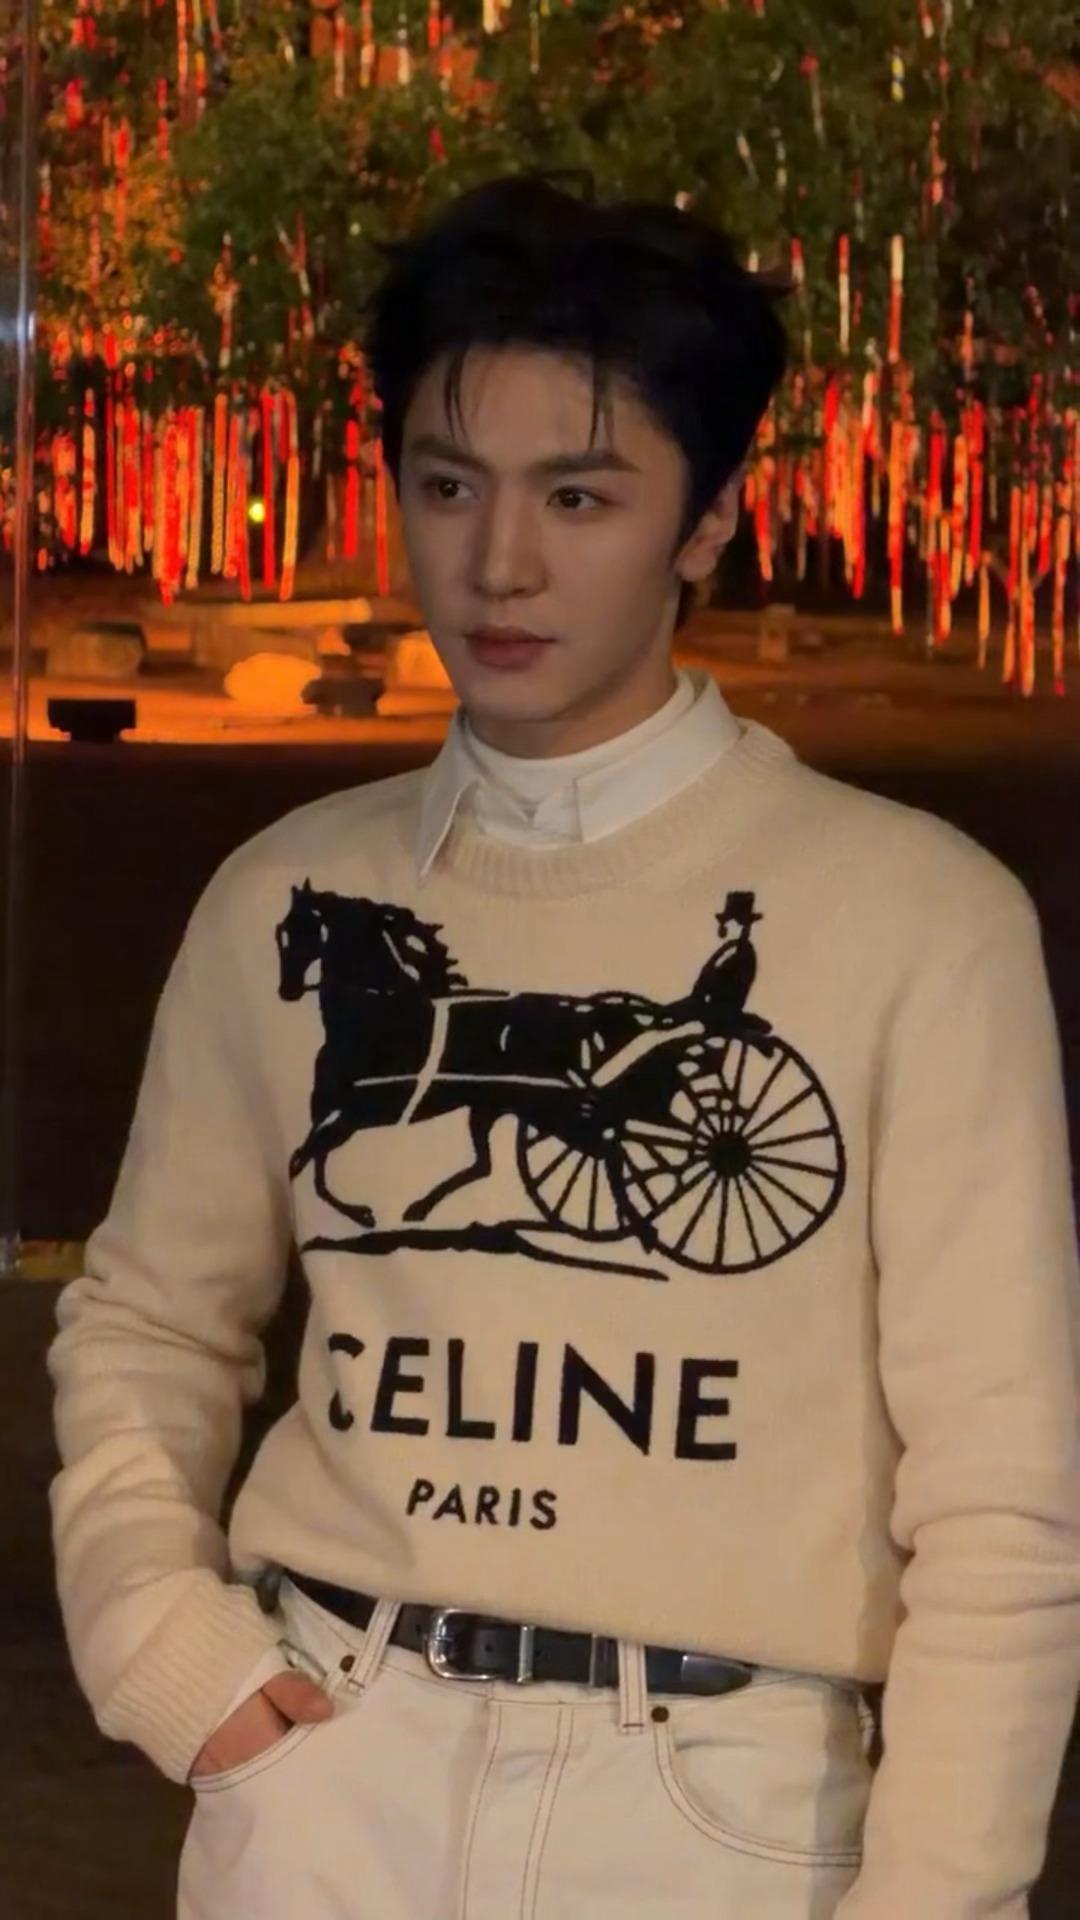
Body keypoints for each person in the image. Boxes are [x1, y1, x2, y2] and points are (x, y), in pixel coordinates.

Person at [50, 174, 1080, 1920]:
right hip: (324, 1772)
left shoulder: (923, 917)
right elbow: (149, 1321)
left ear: (709, 520)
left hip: (727, 1811)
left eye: (580, 495)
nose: (499, 563)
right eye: (449, 485)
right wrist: (161, 1637)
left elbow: (1005, 1504)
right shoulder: (281, 894)